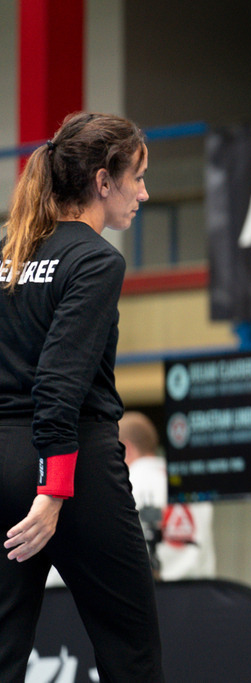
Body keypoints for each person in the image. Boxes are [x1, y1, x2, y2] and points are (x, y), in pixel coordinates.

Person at [0, 112, 162, 681]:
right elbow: (59, 381)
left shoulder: (8, 252)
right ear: (102, 181)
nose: (144, 193)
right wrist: (52, 491)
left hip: (3, 460)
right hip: (72, 466)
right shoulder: (96, 259)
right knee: (130, 647)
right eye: (137, 177)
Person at [119, 411, 216, 580]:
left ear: (126, 449)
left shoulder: (126, 484)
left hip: (155, 597)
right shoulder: (191, 482)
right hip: (202, 595)